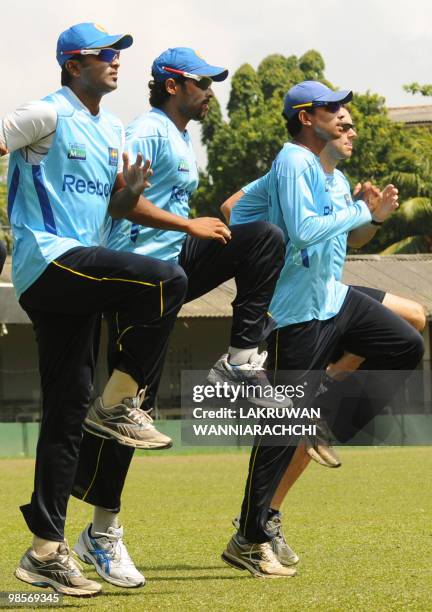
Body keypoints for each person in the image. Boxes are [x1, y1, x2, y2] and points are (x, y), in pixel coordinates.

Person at [71, 46, 290, 583]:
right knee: (128, 409)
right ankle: (101, 532)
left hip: (174, 268)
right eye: (202, 83)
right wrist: (190, 224)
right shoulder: (144, 130)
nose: (210, 92)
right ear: (172, 84)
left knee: (262, 239)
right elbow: (114, 202)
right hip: (137, 275)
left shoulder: (181, 137)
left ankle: (240, 358)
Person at [1, 23, 189, 596]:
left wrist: (129, 192)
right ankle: (120, 401)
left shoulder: (111, 128)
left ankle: (45, 553)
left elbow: (116, 210)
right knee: (167, 279)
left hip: (80, 271)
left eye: (118, 55)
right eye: (105, 54)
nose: (115, 62)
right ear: (72, 63)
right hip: (49, 263)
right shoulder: (44, 113)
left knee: (64, 413)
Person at [219, 81, 424, 578]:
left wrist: (371, 218)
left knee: (405, 342)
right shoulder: (291, 161)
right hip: (295, 315)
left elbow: (343, 235)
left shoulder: (335, 177)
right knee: (280, 429)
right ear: (307, 117)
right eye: (339, 115)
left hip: (334, 300)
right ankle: (249, 536)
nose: (349, 124)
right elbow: (301, 229)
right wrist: (361, 213)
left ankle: (324, 419)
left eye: (350, 118)